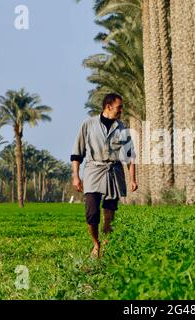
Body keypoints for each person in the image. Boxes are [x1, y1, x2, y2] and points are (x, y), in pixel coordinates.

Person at [70, 93, 138, 258]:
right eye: (119, 107)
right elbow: (77, 153)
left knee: (109, 214)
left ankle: (106, 242)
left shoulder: (122, 128)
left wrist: (132, 179)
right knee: (92, 212)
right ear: (109, 106)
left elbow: (130, 157)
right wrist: (76, 176)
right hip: (94, 170)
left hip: (114, 172)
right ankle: (96, 243)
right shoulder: (88, 124)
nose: (121, 110)